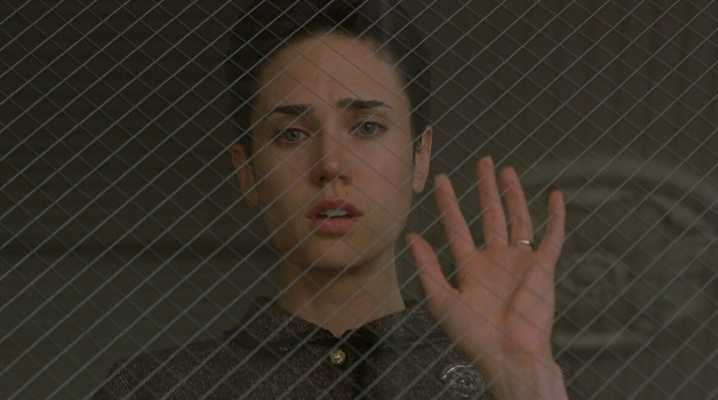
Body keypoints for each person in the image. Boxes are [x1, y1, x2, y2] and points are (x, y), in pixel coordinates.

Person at [92, 0, 568, 399]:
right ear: (247, 170)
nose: (330, 164)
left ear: (419, 156)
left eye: (367, 127)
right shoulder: (154, 389)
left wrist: (524, 381)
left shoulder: (506, 380)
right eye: (292, 134)